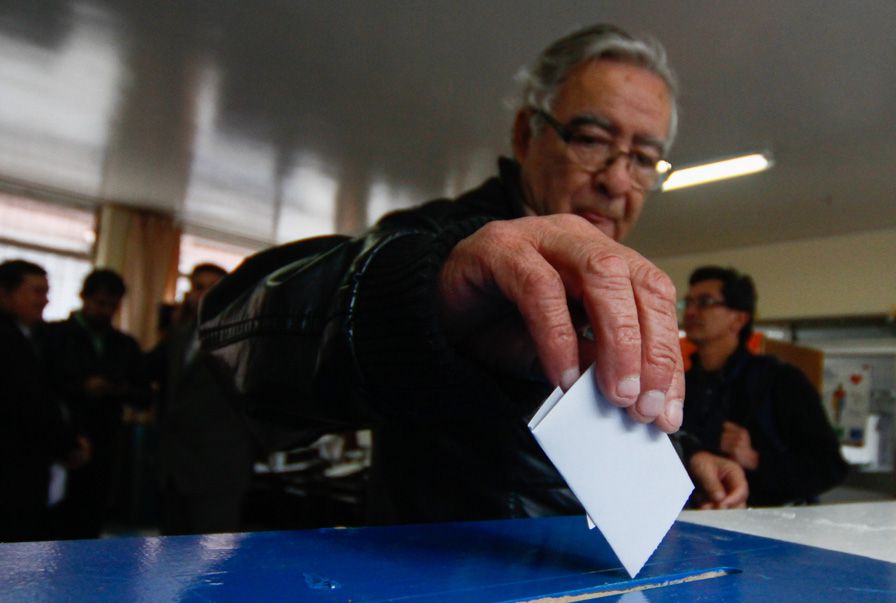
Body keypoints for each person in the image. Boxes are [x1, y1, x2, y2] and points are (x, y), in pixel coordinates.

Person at [200, 24, 747, 523]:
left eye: (643, 158)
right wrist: (426, 292)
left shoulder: (611, 277)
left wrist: (688, 452)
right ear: (526, 136)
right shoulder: (440, 243)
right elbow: (238, 333)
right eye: (592, 140)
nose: (617, 180)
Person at [677, 266, 848, 506]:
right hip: (700, 525)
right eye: (687, 303)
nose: (691, 312)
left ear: (739, 319)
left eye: (705, 302)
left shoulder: (781, 380)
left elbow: (829, 467)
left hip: (772, 530)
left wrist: (756, 459)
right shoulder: (682, 383)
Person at [149, 263, 255, 534]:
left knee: (211, 562)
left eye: (213, 288)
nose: (204, 295)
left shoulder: (243, 339)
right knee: (171, 558)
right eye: (198, 287)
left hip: (218, 470)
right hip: (175, 468)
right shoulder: (180, 334)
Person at [44, 268, 149, 539]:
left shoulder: (124, 345)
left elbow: (143, 394)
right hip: (59, 442)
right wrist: (81, 388)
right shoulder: (54, 336)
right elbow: (41, 388)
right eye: (99, 303)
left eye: (112, 306)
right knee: (53, 519)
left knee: (90, 518)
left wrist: (117, 389)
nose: (104, 311)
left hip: (105, 442)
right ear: (84, 298)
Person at [0, 259, 88, 542]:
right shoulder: (7, 339)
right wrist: (67, 444)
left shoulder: (35, 337)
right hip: (12, 468)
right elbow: (27, 403)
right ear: (5, 293)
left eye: (46, 292)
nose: (44, 300)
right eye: (35, 291)